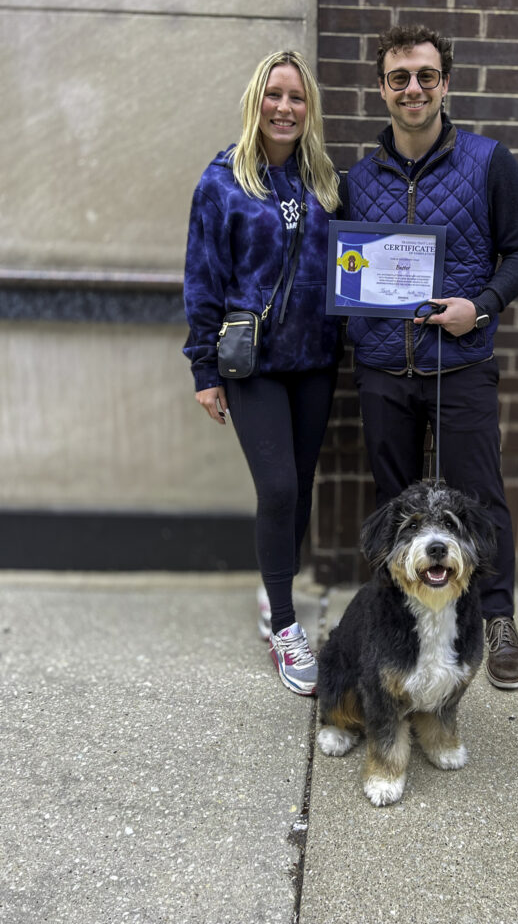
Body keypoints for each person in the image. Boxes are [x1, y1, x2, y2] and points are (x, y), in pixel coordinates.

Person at [341, 24, 518, 690]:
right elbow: (345, 266)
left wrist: (479, 307)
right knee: (397, 506)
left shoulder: (489, 162)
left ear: (444, 84)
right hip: (382, 370)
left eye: (425, 76)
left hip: (460, 366)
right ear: (382, 89)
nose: (413, 89)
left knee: (480, 501)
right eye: (399, 78)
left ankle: (497, 619)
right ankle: (398, 621)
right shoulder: (358, 178)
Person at [183, 50, 340, 696]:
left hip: (317, 361)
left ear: (310, 110)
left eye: (296, 98)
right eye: (274, 94)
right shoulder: (223, 182)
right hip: (251, 364)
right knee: (277, 488)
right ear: (256, 101)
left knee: (300, 488)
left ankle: (270, 586)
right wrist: (203, 369)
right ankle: (283, 623)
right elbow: (202, 280)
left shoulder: (325, 182)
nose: (284, 107)